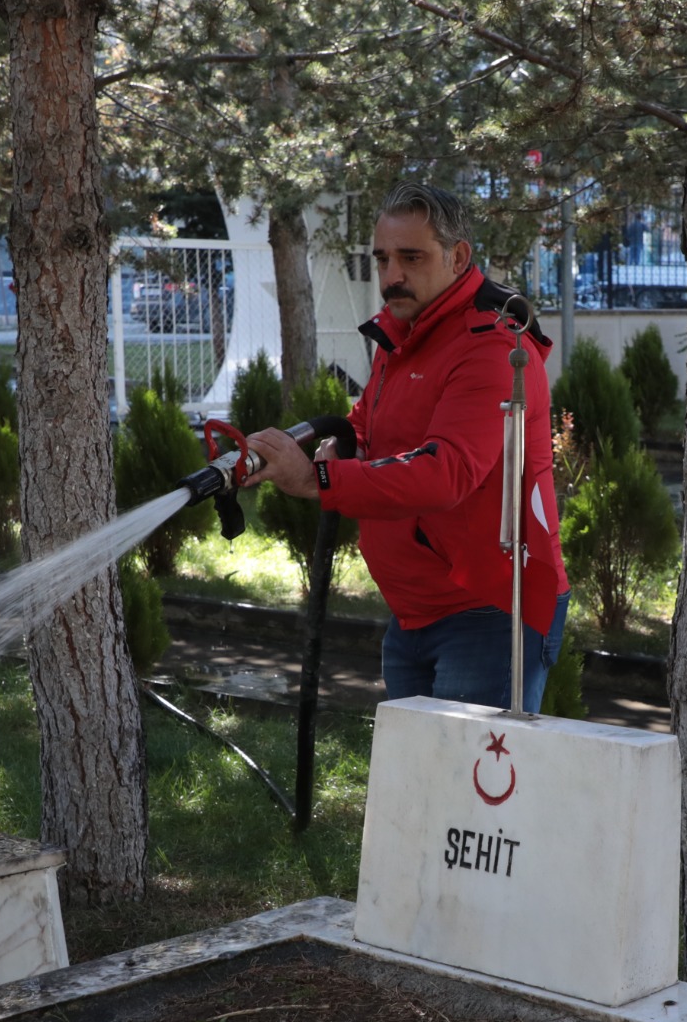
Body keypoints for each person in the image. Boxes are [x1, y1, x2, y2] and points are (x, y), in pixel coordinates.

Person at [242, 184, 567, 712]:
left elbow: (446, 472)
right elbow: (370, 425)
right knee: (419, 786)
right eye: (383, 258)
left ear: (458, 257)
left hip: (488, 612)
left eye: (411, 257)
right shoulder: (407, 333)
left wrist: (316, 479)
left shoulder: (492, 347)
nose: (391, 275)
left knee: (467, 790)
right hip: (415, 611)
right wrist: (338, 447)